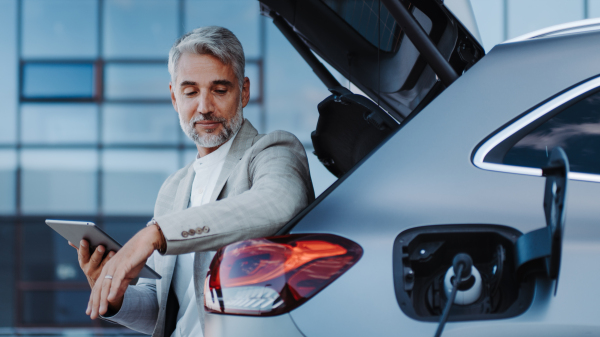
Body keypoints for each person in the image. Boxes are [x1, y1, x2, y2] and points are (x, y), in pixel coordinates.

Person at [72, 26, 314, 336]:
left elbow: (279, 203)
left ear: (244, 92)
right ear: (174, 97)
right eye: (190, 91)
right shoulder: (173, 189)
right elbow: (166, 309)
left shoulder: (272, 150)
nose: (204, 107)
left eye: (220, 89)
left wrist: (157, 234)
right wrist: (115, 294)